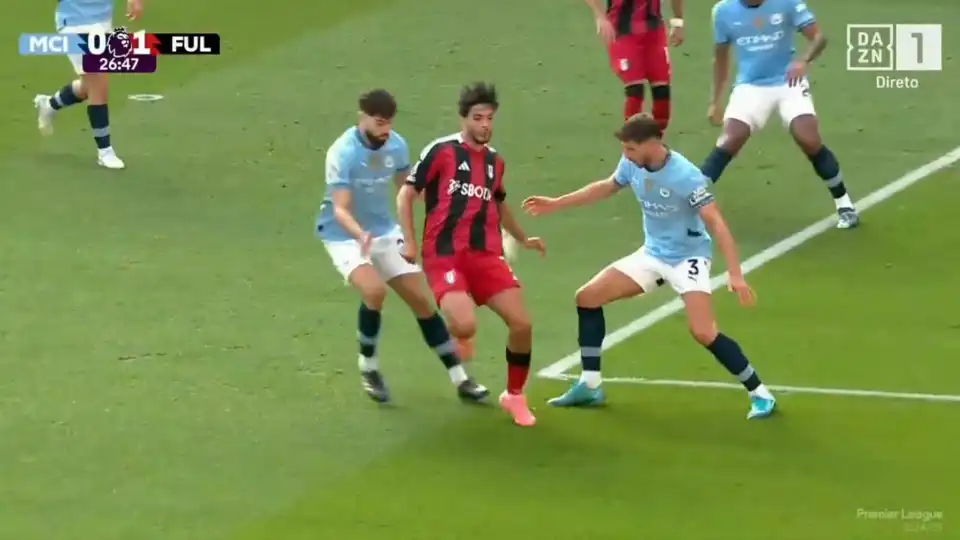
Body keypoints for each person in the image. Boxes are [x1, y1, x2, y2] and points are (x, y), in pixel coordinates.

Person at [522, 113, 776, 420]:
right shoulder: (633, 165)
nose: (625, 156)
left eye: (630, 149)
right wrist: (556, 203)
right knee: (587, 297)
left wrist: (735, 274)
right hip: (653, 254)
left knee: (703, 331)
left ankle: (760, 394)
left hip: (688, 258)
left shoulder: (686, 176)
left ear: (652, 144)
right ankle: (590, 386)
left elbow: (716, 222)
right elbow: (606, 187)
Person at [317, 89, 488, 404]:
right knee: (374, 292)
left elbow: (409, 190)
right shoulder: (342, 152)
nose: (384, 131)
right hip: (344, 235)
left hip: (383, 231)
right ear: (363, 117)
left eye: (388, 124)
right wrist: (359, 235)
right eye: (379, 123)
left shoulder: (396, 145)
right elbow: (340, 208)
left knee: (422, 302)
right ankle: (368, 368)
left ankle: (461, 379)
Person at [396, 82, 546, 427]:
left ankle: (514, 395)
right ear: (463, 118)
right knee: (464, 325)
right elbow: (407, 195)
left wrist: (523, 239)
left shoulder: (495, 162)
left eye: (489, 118)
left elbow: (499, 202)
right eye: (478, 118)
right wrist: (409, 241)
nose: (485, 125)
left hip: (486, 255)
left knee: (522, 324)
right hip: (444, 255)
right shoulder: (443, 151)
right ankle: (461, 335)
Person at [703, 0, 859, 229]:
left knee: (808, 138)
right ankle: (689, 200)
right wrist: (715, 101)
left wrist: (803, 61)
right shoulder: (723, 11)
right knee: (731, 139)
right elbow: (721, 58)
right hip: (750, 86)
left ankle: (844, 204)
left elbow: (819, 37)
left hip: (789, 81)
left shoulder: (786, 3)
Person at [33, 0, 142, 169]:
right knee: (98, 83)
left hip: (102, 21)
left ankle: (49, 105)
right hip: (73, 22)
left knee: (88, 88)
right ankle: (105, 151)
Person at [583, 0, 685, 133]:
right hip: (623, 32)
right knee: (635, 91)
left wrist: (678, 21)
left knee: (662, 93)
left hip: (654, 33)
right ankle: (631, 144)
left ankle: (655, 143)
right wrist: (600, 17)